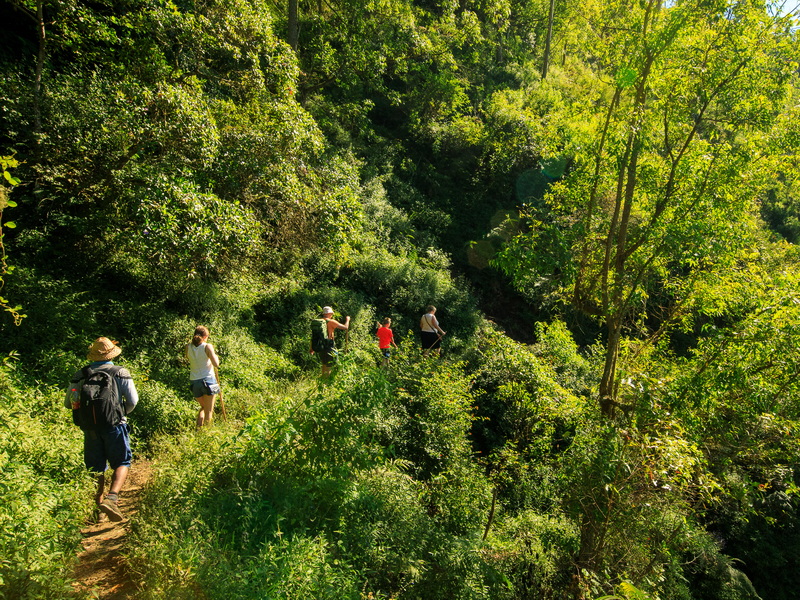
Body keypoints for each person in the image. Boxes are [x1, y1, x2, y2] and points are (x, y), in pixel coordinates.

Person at [65, 337, 138, 522]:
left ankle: (97, 509)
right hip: (115, 425)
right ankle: (112, 498)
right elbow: (133, 401)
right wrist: (119, 413)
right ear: (111, 353)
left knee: (95, 467)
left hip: (89, 428)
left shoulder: (81, 374)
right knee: (122, 462)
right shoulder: (120, 372)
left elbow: (69, 403)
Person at [185, 325, 221, 428]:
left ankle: (198, 430)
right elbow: (216, 364)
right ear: (205, 336)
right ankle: (206, 433)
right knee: (209, 411)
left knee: (204, 407)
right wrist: (215, 356)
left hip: (194, 381)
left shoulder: (188, 347)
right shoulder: (207, 346)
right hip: (208, 380)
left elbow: (189, 359)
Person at [310, 306, 350, 377]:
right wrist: (348, 320)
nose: (332, 315)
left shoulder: (318, 322)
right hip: (329, 345)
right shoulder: (331, 322)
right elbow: (345, 327)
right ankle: (327, 383)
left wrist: (312, 348)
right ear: (329, 313)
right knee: (329, 365)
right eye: (331, 313)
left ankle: (323, 381)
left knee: (324, 364)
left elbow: (314, 336)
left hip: (320, 345)